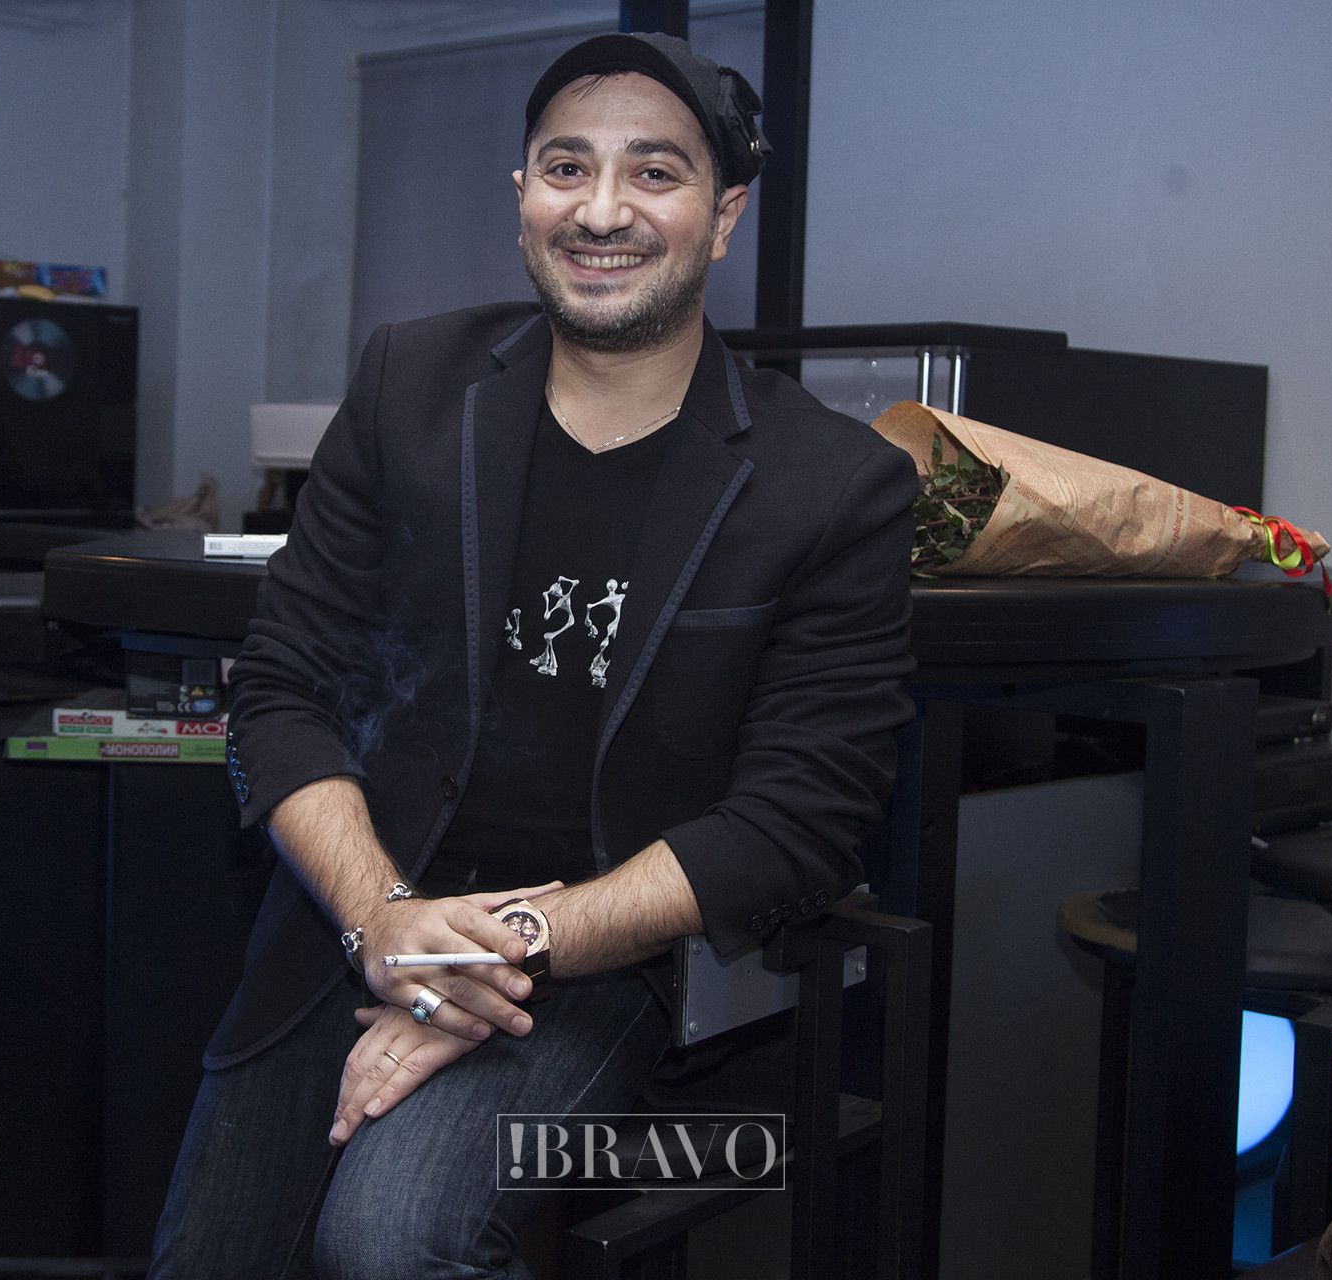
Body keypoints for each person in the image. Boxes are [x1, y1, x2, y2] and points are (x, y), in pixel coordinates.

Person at [149, 30, 917, 1279]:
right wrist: (384, 918)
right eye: (568, 168)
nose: (602, 210)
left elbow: (798, 820)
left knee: (389, 1240)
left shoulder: (831, 483)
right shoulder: (410, 385)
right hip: (358, 915)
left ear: (724, 216)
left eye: (654, 172)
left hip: (608, 955)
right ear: (522, 198)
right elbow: (283, 686)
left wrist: (490, 947)